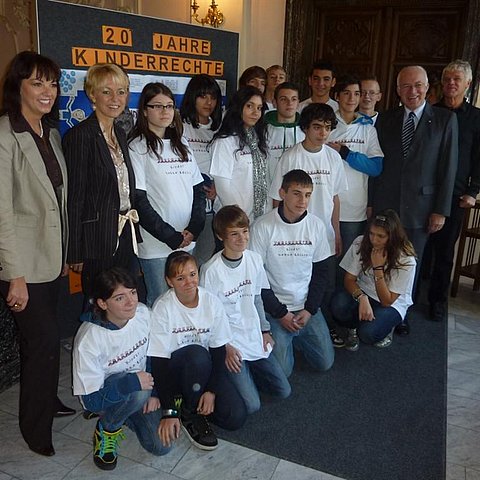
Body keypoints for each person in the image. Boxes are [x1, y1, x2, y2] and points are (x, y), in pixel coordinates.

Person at [0, 51, 74, 457]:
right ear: (19, 87)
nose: (47, 91)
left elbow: (56, 202)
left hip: (51, 259)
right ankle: (34, 427)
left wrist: (63, 252)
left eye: (52, 83)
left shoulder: (51, 132)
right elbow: (3, 212)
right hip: (22, 266)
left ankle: (48, 401)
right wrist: (14, 274)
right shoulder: (3, 134)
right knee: (43, 344)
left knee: (46, 343)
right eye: (37, 83)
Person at [371, 65, 458, 335]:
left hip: (422, 209)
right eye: (406, 86)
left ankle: (402, 313)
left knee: (411, 265)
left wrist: (441, 211)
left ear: (427, 87)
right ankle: (378, 307)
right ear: (398, 90)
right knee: (382, 259)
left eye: (418, 85)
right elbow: (377, 164)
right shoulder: (384, 119)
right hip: (387, 205)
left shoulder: (444, 120)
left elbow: (448, 168)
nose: (413, 91)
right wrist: (372, 202)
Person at [72, 268, 170, 470]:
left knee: (161, 447)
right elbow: (90, 401)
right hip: (107, 395)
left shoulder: (142, 313)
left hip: (141, 387)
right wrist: (131, 384)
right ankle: (107, 427)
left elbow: (154, 354)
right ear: (102, 303)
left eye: (133, 292)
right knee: (138, 390)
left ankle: (126, 411)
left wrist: (156, 393)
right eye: (119, 298)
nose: (131, 302)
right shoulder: (89, 340)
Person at [149, 251, 247, 451]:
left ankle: (192, 401)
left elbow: (219, 352)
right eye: (180, 278)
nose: (189, 282)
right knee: (197, 354)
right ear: (169, 281)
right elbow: (158, 363)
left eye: (192, 274)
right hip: (176, 371)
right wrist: (169, 411)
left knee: (235, 417)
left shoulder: (211, 302)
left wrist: (211, 390)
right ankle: (187, 411)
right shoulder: (162, 308)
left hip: (203, 371)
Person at [200, 205, 291, 413]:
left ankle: (247, 373)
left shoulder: (254, 259)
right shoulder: (210, 270)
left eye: (245, 231)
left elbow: (257, 297)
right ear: (220, 236)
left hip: (251, 334)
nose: (242, 239)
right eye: (234, 234)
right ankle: (227, 379)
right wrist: (225, 347)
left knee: (283, 390)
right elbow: (209, 317)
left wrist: (264, 330)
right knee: (252, 405)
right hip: (229, 341)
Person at [63, 63, 139, 297]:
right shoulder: (81, 136)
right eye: (106, 91)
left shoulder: (122, 133)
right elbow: (74, 196)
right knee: (100, 301)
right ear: (92, 94)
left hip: (126, 232)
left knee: (125, 298)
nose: (115, 98)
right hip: (96, 238)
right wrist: (74, 250)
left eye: (121, 91)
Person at [250, 169, 335, 377]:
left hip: (305, 306)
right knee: (282, 372)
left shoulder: (316, 225)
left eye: (307, 195)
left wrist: (310, 309)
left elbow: (322, 273)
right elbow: (256, 278)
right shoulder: (262, 226)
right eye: (296, 193)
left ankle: (296, 337)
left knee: (324, 363)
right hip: (275, 310)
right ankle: (284, 337)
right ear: (282, 193)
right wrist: (281, 314)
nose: (303, 201)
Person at [129, 82, 206, 306]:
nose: (165, 112)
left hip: (187, 239)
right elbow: (139, 201)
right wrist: (171, 236)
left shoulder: (181, 143)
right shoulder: (137, 147)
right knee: (161, 302)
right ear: (144, 110)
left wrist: (194, 228)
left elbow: (198, 190)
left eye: (170, 106)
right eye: (158, 106)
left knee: (187, 299)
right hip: (156, 244)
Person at [425, 60, 480, 321]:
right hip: (425, 192)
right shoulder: (429, 112)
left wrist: (473, 191)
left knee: (445, 252)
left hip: (456, 197)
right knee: (419, 249)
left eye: (457, 79)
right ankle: (408, 297)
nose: (451, 84)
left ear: (467, 84)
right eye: (447, 79)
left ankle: (437, 301)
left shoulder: (477, 118)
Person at [331, 210, 416, 350]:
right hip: (364, 291)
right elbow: (349, 279)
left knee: (368, 334)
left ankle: (388, 329)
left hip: (391, 303)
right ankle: (353, 327)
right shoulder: (361, 242)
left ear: (392, 237)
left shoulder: (406, 259)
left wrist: (378, 267)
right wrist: (362, 298)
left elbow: (387, 300)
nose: (374, 240)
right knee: (337, 304)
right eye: (371, 233)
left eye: (380, 236)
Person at [327, 74, 383, 252]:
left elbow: (375, 168)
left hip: (354, 209)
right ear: (337, 96)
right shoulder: (326, 125)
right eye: (346, 93)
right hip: (326, 205)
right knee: (326, 262)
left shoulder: (367, 129)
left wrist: (346, 153)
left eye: (356, 94)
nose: (352, 99)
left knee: (348, 263)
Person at [180, 74, 223, 265]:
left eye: (213, 97)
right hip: (185, 208)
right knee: (182, 263)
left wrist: (218, 189)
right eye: (203, 96)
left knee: (203, 262)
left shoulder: (219, 129)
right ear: (192, 97)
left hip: (211, 209)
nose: (209, 102)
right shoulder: (179, 126)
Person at [210, 86, 269, 222]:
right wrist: (239, 218)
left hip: (257, 218)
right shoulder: (225, 141)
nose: (255, 112)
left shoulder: (258, 140)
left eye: (259, 108)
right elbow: (222, 187)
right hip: (232, 220)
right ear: (238, 107)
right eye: (250, 106)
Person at [264, 82, 305, 187]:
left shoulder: (306, 130)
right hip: (269, 192)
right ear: (275, 103)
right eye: (283, 99)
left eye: (293, 99)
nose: (289, 103)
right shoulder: (263, 130)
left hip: (300, 194)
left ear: (298, 103)